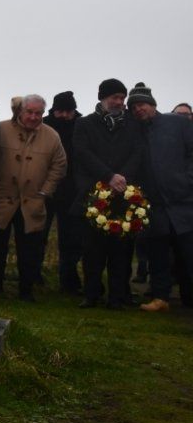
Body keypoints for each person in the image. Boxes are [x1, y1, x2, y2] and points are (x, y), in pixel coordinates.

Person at [73, 79, 143, 310]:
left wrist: (122, 177)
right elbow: (83, 153)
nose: (119, 102)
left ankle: (117, 296)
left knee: (121, 249)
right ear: (102, 98)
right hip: (94, 193)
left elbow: (137, 153)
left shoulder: (132, 125)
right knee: (92, 249)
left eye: (122, 98)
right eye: (114, 97)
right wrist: (108, 176)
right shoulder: (85, 124)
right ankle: (92, 294)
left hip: (124, 193)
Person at [0, 95, 67, 301]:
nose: (33, 117)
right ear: (20, 111)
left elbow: (59, 166)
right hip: (2, 199)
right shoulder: (0, 130)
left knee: (29, 249)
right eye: (29, 112)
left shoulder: (52, 136)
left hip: (33, 202)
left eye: (38, 113)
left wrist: (45, 192)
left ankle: (26, 290)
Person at [128, 85, 193, 312]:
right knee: (157, 254)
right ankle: (161, 297)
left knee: (188, 253)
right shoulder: (134, 130)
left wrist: (188, 180)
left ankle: (188, 298)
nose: (138, 109)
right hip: (153, 204)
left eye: (142, 104)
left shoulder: (179, 124)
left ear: (153, 104)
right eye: (133, 107)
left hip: (184, 201)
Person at [42, 91, 85, 294]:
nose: (65, 116)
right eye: (61, 111)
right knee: (38, 235)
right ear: (54, 110)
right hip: (46, 187)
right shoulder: (43, 125)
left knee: (71, 238)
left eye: (69, 111)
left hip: (72, 190)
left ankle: (69, 281)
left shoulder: (82, 125)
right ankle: (34, 275)